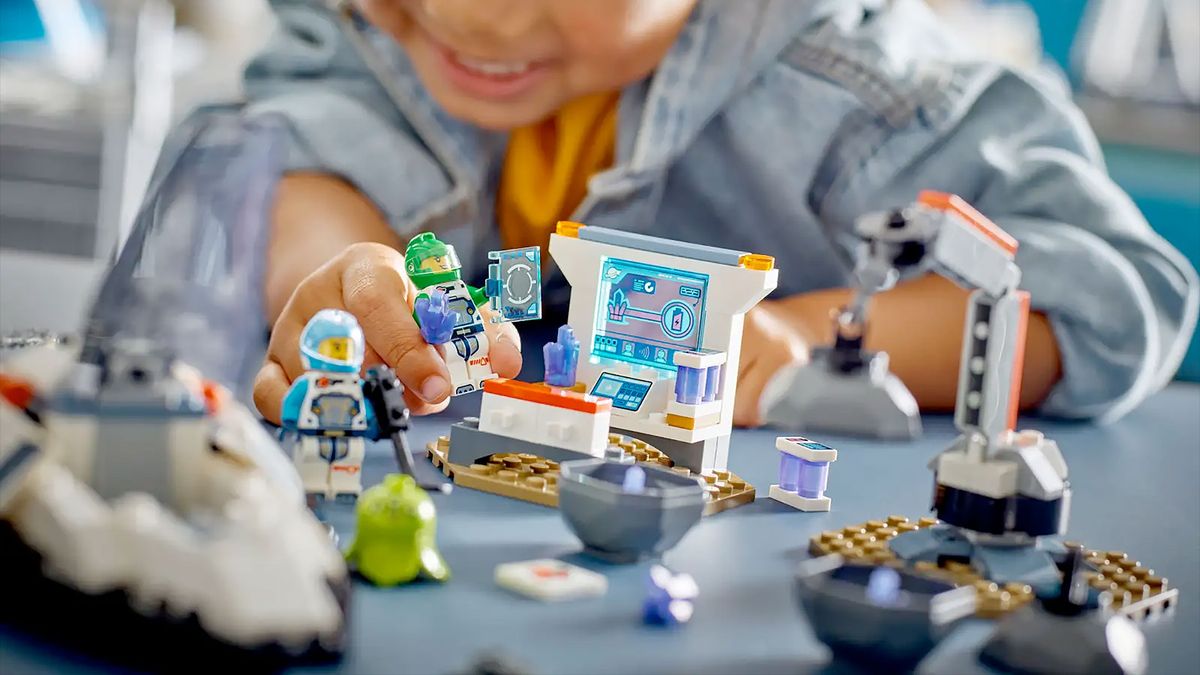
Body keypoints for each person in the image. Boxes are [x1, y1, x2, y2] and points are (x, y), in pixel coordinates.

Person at [246, 0, 1197, 427]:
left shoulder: (852, 88)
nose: (471, 17)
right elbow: (284, 148)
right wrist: (343, 269)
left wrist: (804, 342)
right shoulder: (355, 24)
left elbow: (1113, 293)